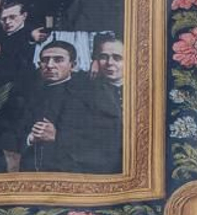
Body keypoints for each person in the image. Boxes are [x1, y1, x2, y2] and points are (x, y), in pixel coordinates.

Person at [13, 41, 122, 174]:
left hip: (74, 172)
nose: (50, 65)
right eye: (44, 60)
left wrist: (57, 136)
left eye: (58, 60)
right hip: (33, 171)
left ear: (73, 65)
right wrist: (30, 138)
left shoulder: (90, 94)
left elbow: (104, 137)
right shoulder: (30, 95)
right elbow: (13, 134)